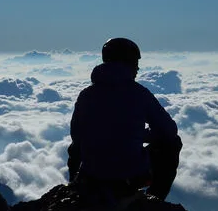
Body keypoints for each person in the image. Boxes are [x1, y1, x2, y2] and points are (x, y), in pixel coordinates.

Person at [68, 37, 182, 200]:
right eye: (136, 63)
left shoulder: (86, 95)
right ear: (130, 62)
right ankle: (155, 200)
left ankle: (76, 187)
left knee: (75, 147)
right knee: (172, 144)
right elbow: (169, 130)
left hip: (91, 175)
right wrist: (139, 135)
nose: (137, 69)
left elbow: (77, 135)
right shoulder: (139, 93)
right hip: (129, 177)